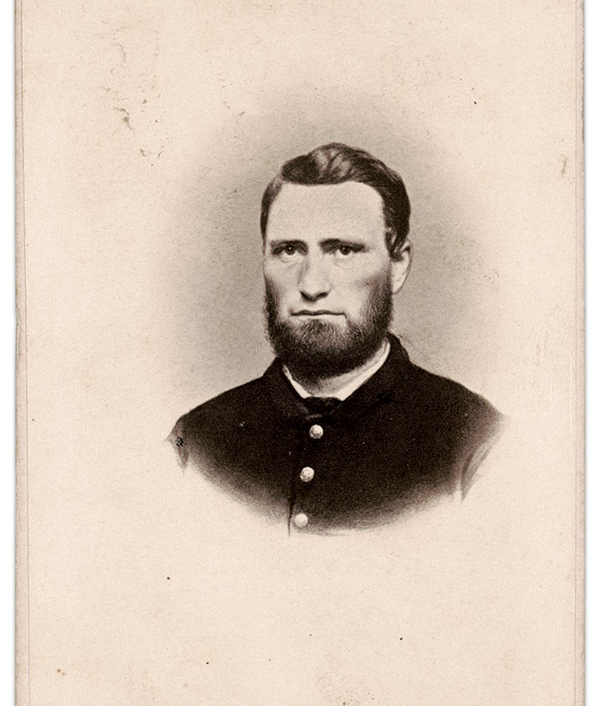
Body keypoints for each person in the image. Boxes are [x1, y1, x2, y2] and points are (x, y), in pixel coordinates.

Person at [169, 142, 504, 530]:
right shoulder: (195, 444)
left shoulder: (478, 444)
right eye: (289, 250)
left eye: (343, 250)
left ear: (397, 265)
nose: (311, 285)